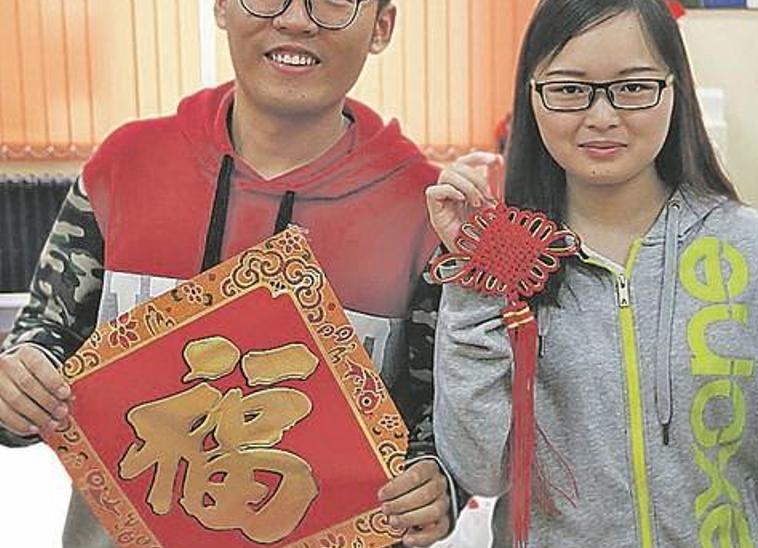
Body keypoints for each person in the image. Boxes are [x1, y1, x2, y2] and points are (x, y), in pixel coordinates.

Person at [0, 1, 457, 546]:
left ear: (381, 26)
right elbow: (47, 333)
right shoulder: (127, 163)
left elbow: (442, 409)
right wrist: (20, 382)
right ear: (220, 7)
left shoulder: (427, 211)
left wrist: (437, 482)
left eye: (333, 0)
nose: (295, 20)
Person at [427, 0, 758, 546]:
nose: (602, 116)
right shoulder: (511, 259)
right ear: (531, 98)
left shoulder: (753, 249)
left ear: (676, 90)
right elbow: (479, 470)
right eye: (570, 89)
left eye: (633, 86)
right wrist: (476, 273)